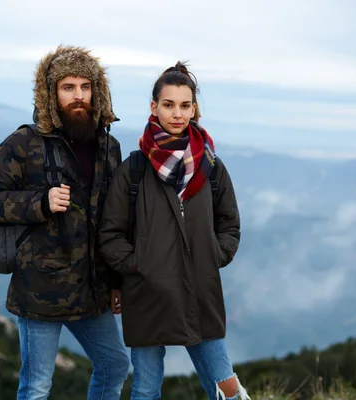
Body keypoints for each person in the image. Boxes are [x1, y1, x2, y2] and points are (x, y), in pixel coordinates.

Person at [0, 45, 129, 400]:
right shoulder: (24, 143)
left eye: (85, 87)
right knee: (37, 386)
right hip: (39, 292)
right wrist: (39, 202)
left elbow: (116, 221)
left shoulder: (109, 148)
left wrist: (117, 281)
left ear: (97, 92)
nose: (78, 96)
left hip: (92, 290)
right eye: (68, 87)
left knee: (115, 366)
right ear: (51, 94)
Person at [98, 62, 250, 400]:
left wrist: (214, 254)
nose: (177, 114)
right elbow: (110, 235)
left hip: (199, 289)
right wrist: (140, 266)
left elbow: (230, 224)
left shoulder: (210, 166)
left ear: (194, 109)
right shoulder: (135, 169)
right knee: (146, 389)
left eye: (185, 105)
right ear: (154, 107)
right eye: (168, 105)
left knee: (225, 388)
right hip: (147, 292)